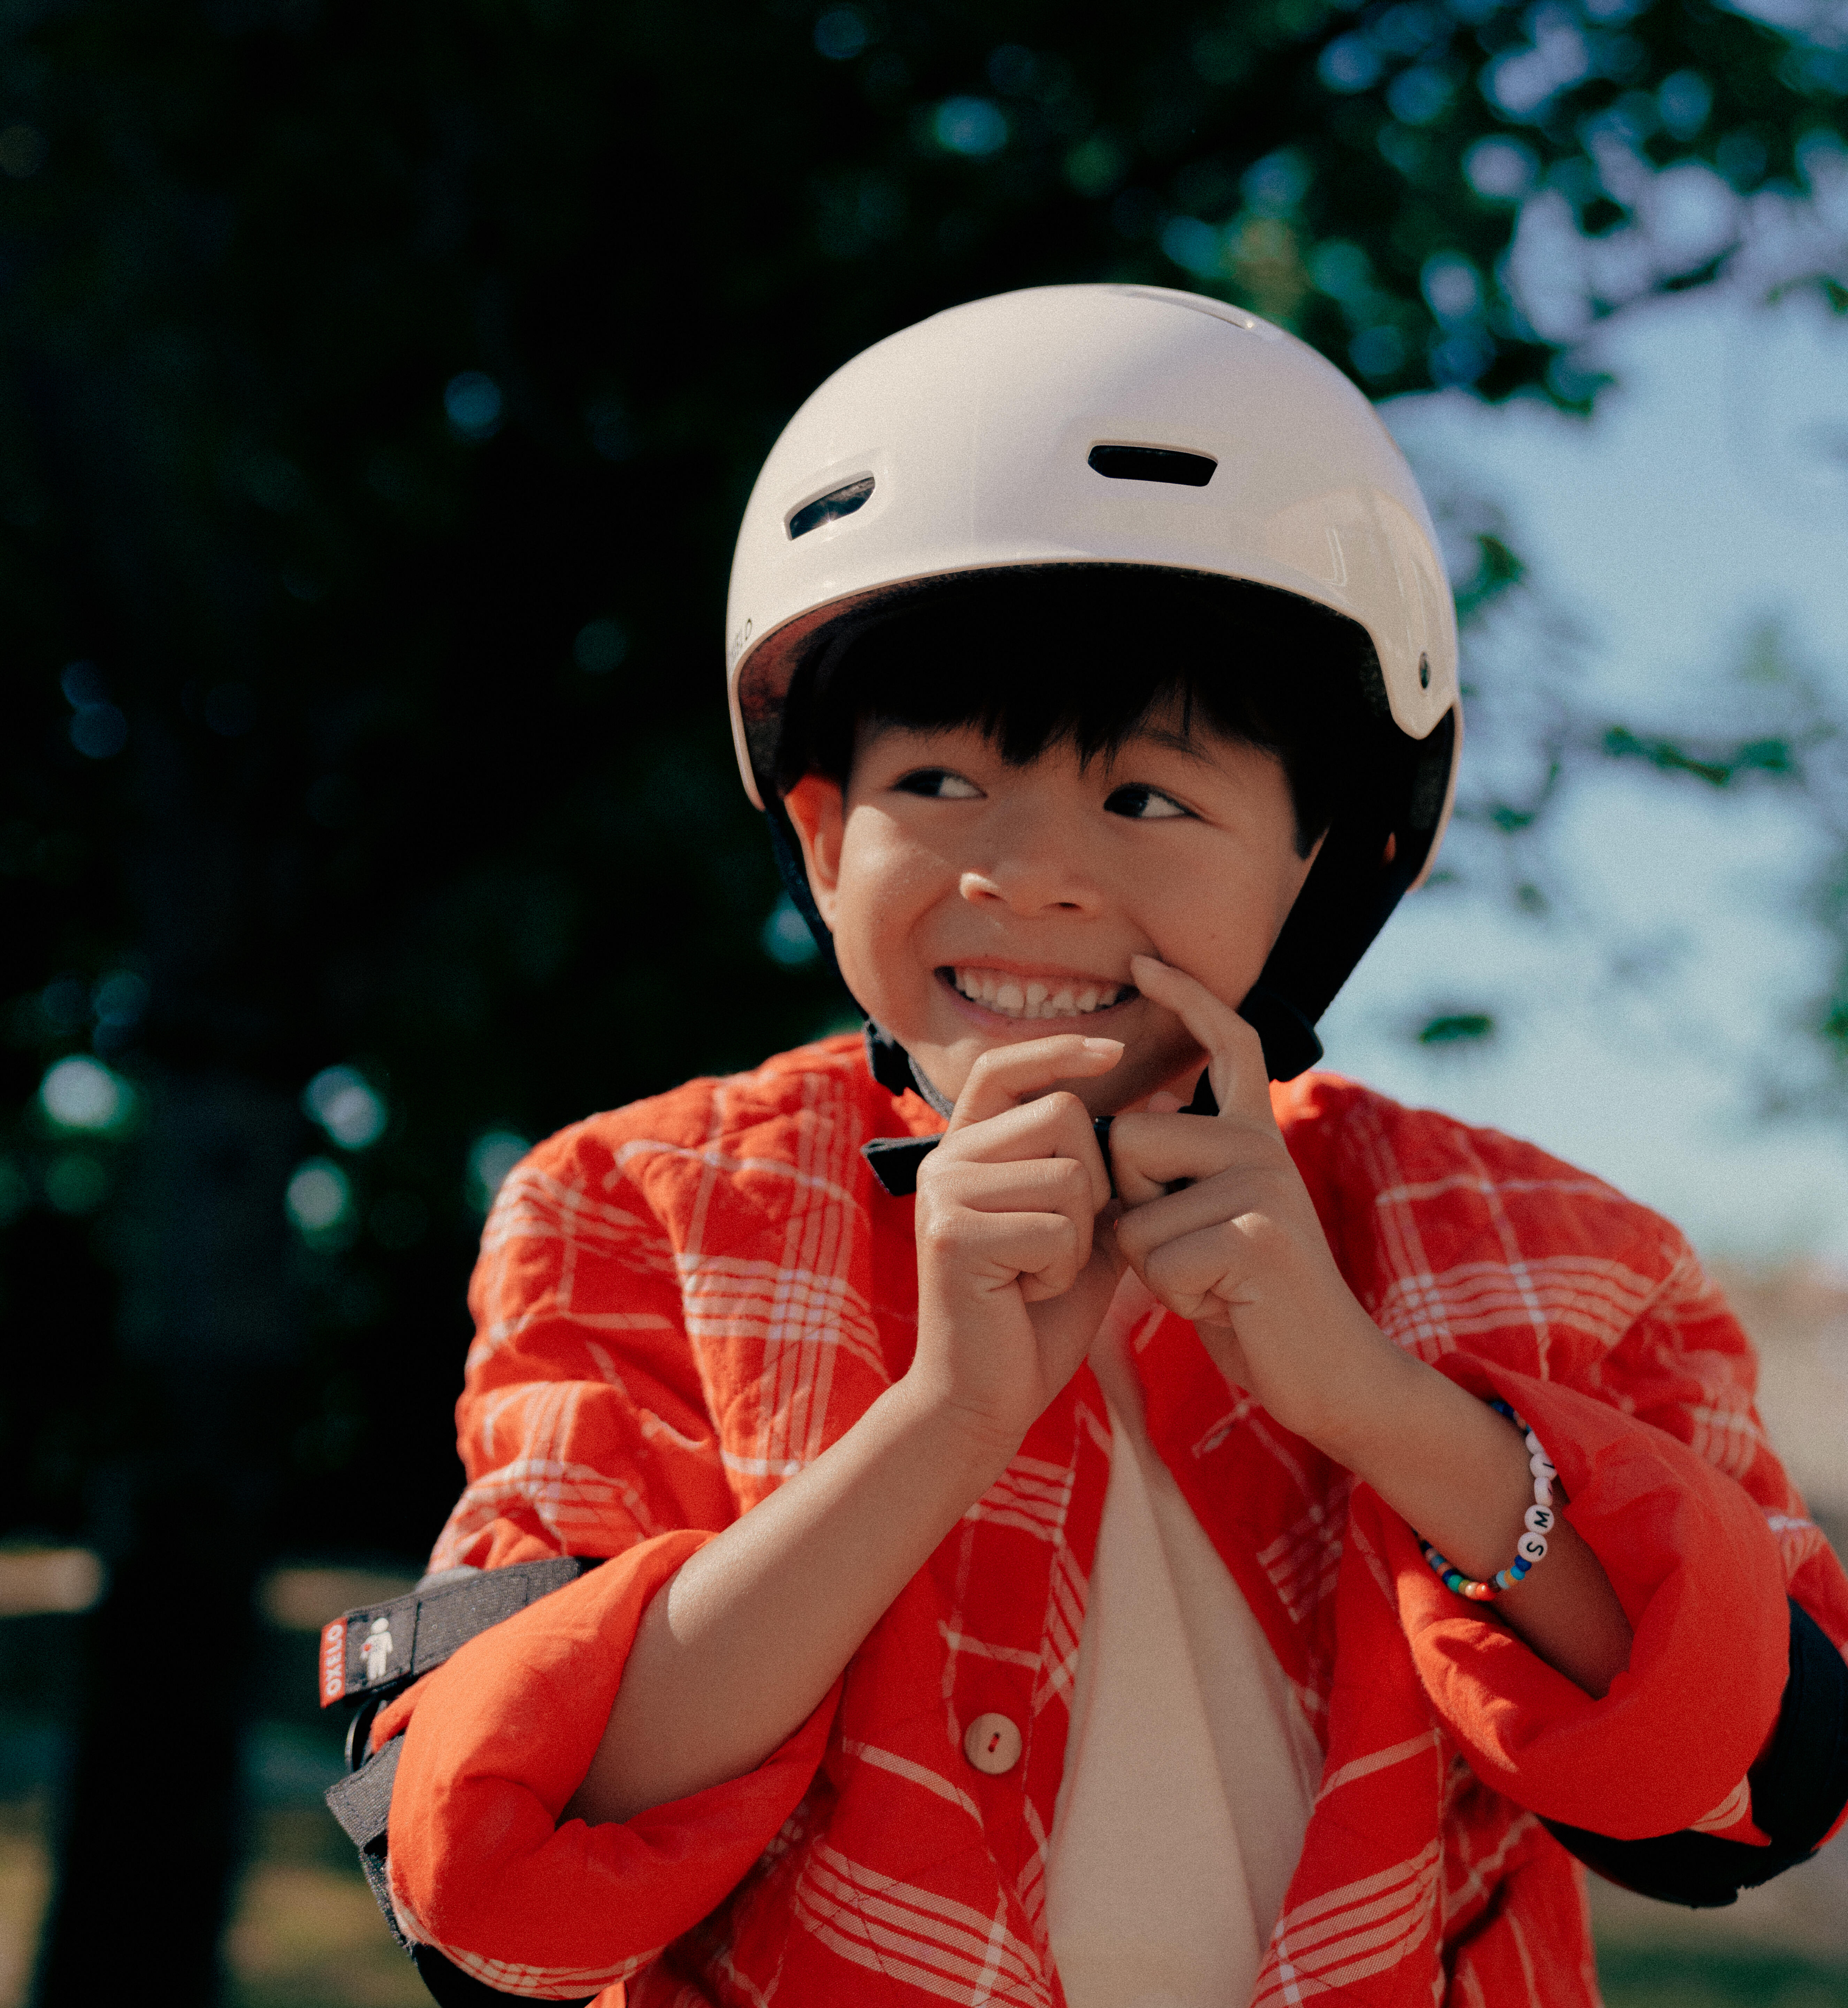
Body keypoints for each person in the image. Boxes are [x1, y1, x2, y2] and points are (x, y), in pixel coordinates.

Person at [360, 287, 1848, 2008]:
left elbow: (1759, 1784)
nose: (1034, 875)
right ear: (824, 834)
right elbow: (491, 1864)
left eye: (1149, 797)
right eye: (940, 785)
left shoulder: (1560, 1250)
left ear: (1333, 858)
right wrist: (941, 1424)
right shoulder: (641, 1209)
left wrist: (1379, 1401)